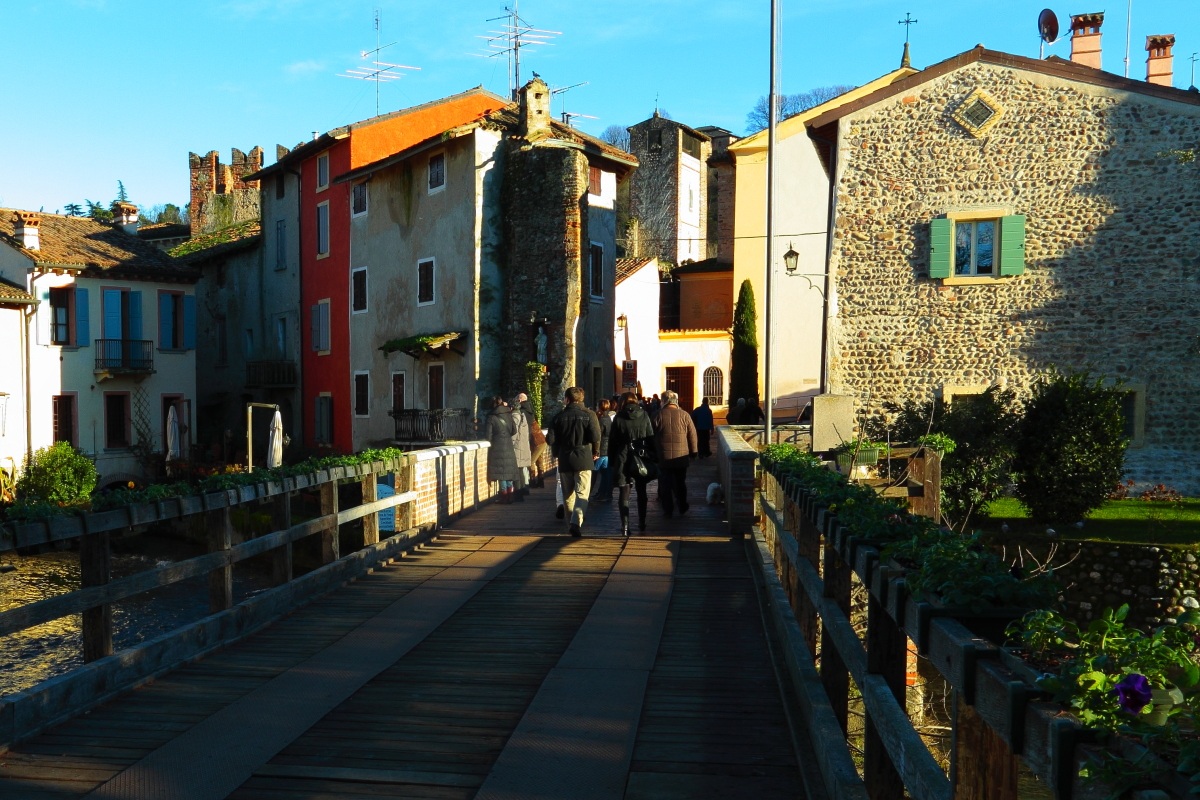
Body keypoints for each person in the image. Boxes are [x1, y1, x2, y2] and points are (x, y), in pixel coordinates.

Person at [547, 386, 601, 537]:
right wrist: (596, 452)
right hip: (584, 457)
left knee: (567, 495)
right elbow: (596, 437)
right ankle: (576, 522)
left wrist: (556, 452)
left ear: (567, 399)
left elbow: (550, 439)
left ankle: (570, 522)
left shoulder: (558, 417)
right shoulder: (589, 415)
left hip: (564, 458)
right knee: (582, 493)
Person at [608, 391, 656, 536]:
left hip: (623, 457)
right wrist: (653, 456)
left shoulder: (619, 417)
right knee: (642, 492)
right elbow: (650, 437)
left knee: (624, 493)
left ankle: (625, 526)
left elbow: (612, 441)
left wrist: (612, 461)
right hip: (640, 457)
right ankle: (642, 522)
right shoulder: (644, 415)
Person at [654, 389, 698, 518]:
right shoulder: (685, 415)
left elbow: (651, 435)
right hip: (681, 457)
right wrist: (694, 452)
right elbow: (692, 435)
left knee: (665, 484)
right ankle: (682, 506)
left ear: (663, 401)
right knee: (680, 483)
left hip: (663, 457)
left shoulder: (657, 415)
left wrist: (653, 453)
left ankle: (668, 510)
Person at [485, 396, 518, 503]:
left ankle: (504, 497)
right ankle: (511, 495)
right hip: (508, 445)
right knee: (508, 472)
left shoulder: (491, 417)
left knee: (501, 473)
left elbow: (488, 436)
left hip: (497, 446)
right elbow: (514, 430)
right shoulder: (509, 414)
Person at [519, 393, 548, 488]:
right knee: (539, 461)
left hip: (536, 442)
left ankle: (533, 481)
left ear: (520, 400)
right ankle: (541, 480)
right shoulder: (530, 408)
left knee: (530, 462)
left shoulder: (522, 411)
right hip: (542, 440)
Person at [591, 398, 613, 503]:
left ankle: (595, 493)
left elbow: (597, 436)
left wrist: (596, 452)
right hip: (607, 450)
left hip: (601, 450)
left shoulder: (600, 420)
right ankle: (604, 492)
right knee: (605, 474)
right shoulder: (608, 418)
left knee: (594, 472)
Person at [511, 393, 532, 500]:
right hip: (524, 444)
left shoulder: (517, 416)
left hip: (518, 446)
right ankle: (524, 488)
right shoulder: (527, 413)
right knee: (522, 469)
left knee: (518, 470)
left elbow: (514, 434)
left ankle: (519, 493)